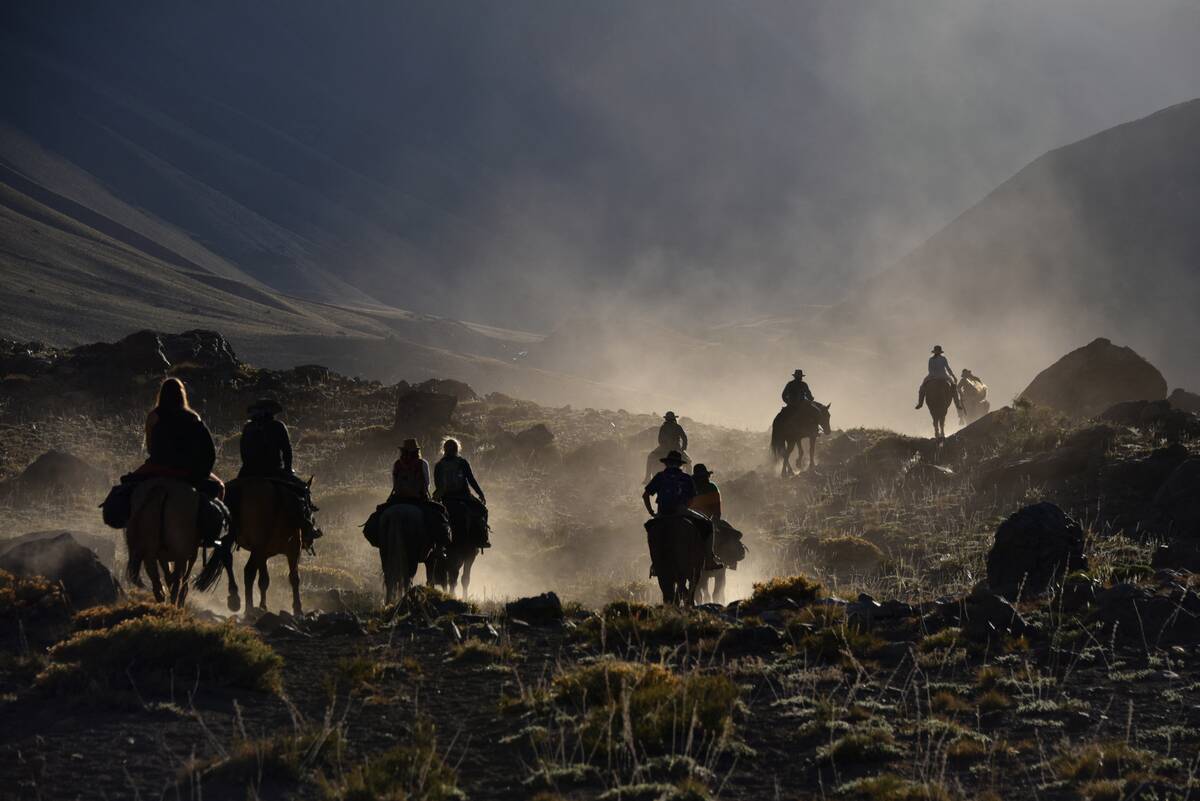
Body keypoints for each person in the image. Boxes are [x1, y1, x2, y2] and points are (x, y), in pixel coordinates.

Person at [237, 398, 322, 547]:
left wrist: (248, 468)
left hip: (248, 472)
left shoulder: (248, 428)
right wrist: (288, 469)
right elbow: (287, 451)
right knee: (303, 490)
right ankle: (308, 528)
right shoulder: (278, 426)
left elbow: (243, 452)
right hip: (274, 471)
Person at [136, 378, 223, 499]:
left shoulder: (153, 416)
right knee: (220, 487)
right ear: (182, 394)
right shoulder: (193, 417)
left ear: (162, 394)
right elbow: (207, 450)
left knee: (128, 486)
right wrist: (202, 472)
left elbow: (150, 449)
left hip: (158, 467)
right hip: (188, 470)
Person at [643, 451, 721, 570]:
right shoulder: (686, 478)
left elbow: (645, 495)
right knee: (708, 524)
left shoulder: (659, 476)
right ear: (679, 465)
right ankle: (709, 560)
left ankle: (655, 562)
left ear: (667, 463)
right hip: (681, 511)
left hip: (662, 513)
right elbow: (691, 500)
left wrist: (651, 512)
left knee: (651, 531)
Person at [388, 438, 450, 551]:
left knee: (379, 514)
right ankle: (439, 549)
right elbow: (427, 484)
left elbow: (394, 483)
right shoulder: (422, 463)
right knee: (440, 515)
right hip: (418, 500)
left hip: (398, 499)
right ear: (416, 451)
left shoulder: (397, 464)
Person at [433, 438, 491, 548]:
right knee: (483, 510)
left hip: (445, 498)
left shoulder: (439, 465)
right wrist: (480, 493)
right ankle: (482, 539)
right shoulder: (462, 462)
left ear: (444, 450)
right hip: (464, 497)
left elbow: (438, 484)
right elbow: (471, 480)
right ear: (457, 449)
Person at [915, 345, 963, 411]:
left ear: (935, 352)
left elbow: (930, 369)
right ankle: (957, 404)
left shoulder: (931, 359)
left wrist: (933, 374)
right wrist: (953, 376)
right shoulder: (943, 358)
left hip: (932, 376)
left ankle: (920, 403)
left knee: (922, 387)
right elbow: (948, 368)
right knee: (953, 387)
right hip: (943, 375)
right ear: (940, 352)